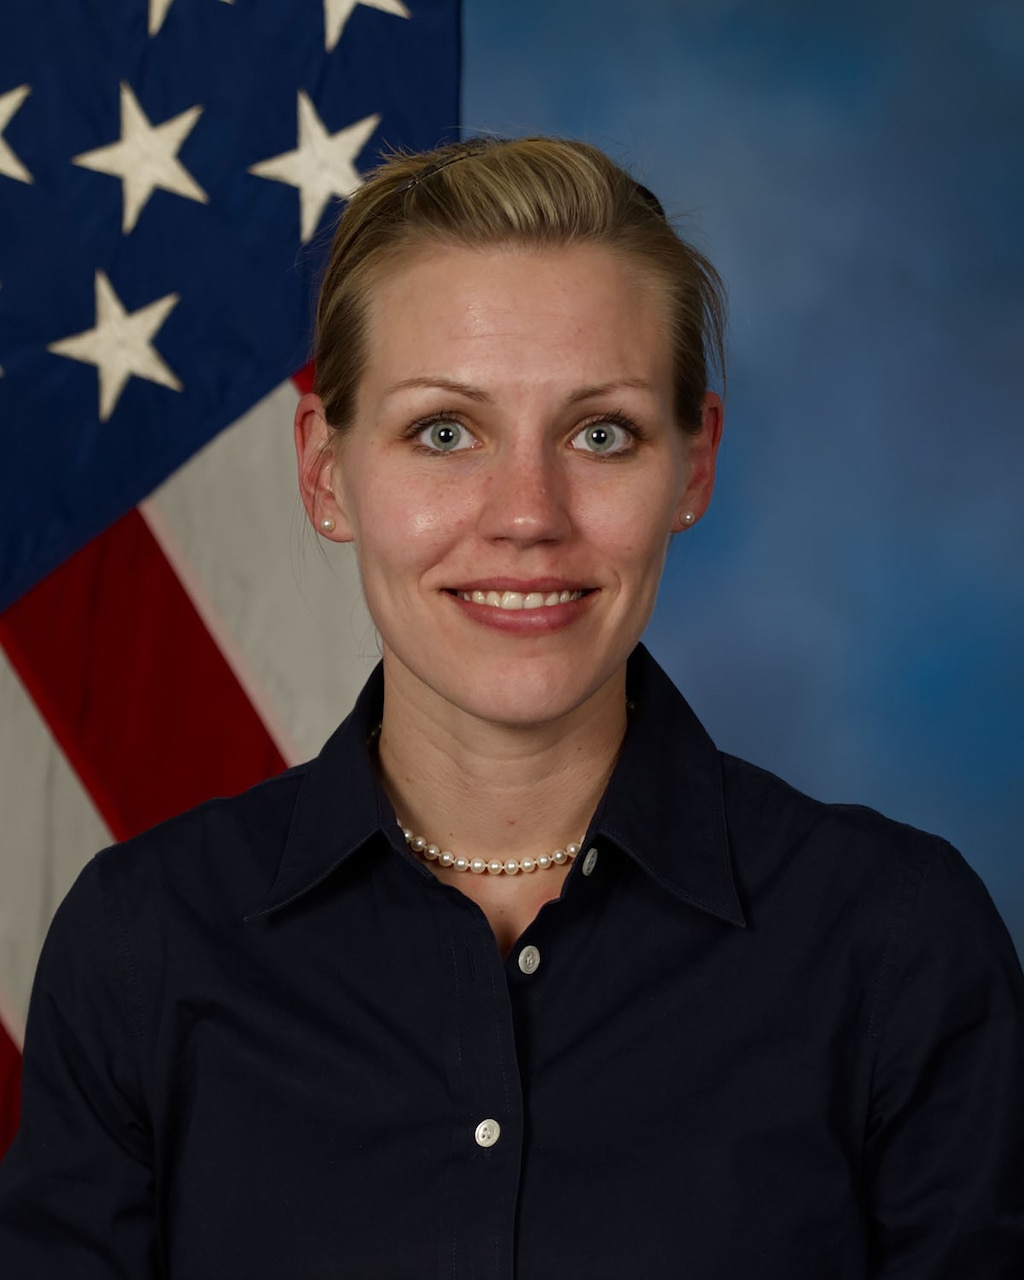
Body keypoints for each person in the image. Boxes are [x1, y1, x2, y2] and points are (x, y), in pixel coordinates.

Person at [1, 136, 1022, 1278]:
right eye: (445, 431)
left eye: (601, 433)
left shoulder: (895, 945)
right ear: (326, 472)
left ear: (692, 467)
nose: (527, 514)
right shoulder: (141, 944)